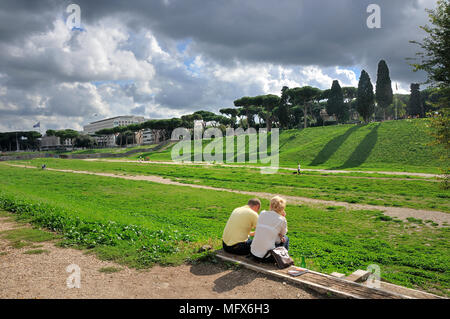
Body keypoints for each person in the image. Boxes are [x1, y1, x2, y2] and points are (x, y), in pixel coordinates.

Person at [250, 196, 289, 263]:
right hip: (266, 256)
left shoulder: (262, 213)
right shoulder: (282, 219)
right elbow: (283, 233)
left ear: (271, 205)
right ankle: (283, 258)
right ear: (282, 208)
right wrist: (283, 217)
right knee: (286, 238)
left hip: (253, 253)